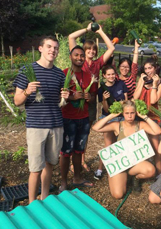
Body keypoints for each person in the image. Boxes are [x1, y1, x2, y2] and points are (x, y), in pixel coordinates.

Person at [13, 36, 69, 203]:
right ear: (40, 48)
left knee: (50, 164)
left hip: (56, 126)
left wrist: (64, 98)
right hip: (36, 127)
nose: (53, 50)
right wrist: (27, 92)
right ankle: (32, 203)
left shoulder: (59, 74)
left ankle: (44, 197)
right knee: (36, 169)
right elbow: (17, 101)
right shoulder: (27, 70)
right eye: (49, 47)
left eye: (55, 48)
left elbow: (61, 105)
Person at [68, 22, 115, 171]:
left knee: (85, 132)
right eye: (88, 49)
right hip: (76, 100)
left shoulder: (97, 64)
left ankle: (81, 160)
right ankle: (71, 161)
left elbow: (111, 48)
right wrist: (87, 29)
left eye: (94, 50)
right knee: (73, 130)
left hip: (91, 101)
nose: (91, 52)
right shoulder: (78, 60)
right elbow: (71, 37)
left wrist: (100, 31)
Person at [92, 100, 161, 199]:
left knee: (150, 170)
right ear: (123, 113)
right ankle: (119, 176)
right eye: (127, 113)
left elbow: (158, 131)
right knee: (118, 195)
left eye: (132, 113)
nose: (129, 116)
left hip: (135, 163)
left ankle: (135, 177)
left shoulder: (140, 125)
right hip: (120, 164)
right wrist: (112, 115)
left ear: (136, 113)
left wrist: (144, 117)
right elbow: (96, 128)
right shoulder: (117, 125)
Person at [59, 45, 96, 192]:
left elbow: (93, 98)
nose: (80, 58)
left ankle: (77, 178)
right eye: (76, 55)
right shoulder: (64, 75)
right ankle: (63, 182)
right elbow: (59, 97)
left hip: (84, 118)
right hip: (68, 118)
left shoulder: (88, 75)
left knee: (79, 150)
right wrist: (72, 97)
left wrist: (89, 97)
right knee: (66, 151)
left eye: (82, 55)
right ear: (70, 57)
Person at [94, 65, 128, 180]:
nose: (111, 76)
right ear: (104, 76)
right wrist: (104, 99)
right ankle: (100, 169)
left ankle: (120, 168)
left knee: (121, 144)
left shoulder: (121, 84)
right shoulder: (101, 90)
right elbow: (107, 110)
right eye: (108, 74)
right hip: (109, 117)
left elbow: (126, 101)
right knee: (108, 144)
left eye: (113, 74)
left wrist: (122, 104)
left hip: (122, 117)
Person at [133, 57, 161, 176]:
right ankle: (140, 169)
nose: (148, 71)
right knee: (138, 145)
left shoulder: (160, 83)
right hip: (139, 115)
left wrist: (154, 84)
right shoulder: (142, 79)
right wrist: (141, 82)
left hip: (152, 117)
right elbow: (135, 97)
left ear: (155, 68)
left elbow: (153, 100)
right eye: (145, 69)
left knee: (155, 146)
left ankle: (159, 172)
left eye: (150, 68)